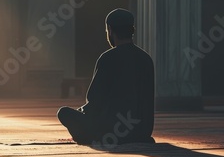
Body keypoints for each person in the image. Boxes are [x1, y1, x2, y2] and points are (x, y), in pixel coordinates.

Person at [57, 8, 155, 146]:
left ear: (110, 30)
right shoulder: (146, 59)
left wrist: (82, 112)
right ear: (131, 30)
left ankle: (90, 138)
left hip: (110, 132)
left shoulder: (108, 58)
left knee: (64, 113)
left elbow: (94, 100)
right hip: (141, 132)